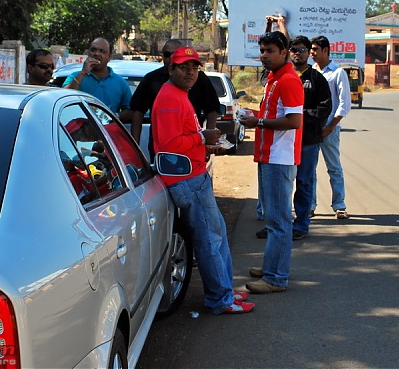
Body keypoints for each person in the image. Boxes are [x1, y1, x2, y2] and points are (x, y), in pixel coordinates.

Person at [152, 47, 253, 314]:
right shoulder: (171, 98)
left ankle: (225, 292)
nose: (190, 72)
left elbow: (180, 139)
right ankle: (220, 299)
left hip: (194, 175)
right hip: (188, 180)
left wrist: (205, 145)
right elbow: (171, 144)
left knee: (216, 236)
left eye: (195, 67)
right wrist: (202, 138)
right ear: (171, 69)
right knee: (210, 240)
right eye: (184, 67)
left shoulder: (178, 95)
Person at [239, 31, 303, 294]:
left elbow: (294, 122)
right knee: (272, 219)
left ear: (284, 52)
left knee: (278, 221)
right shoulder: (274, 79)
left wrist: (259, 122)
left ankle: (277, 278)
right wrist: (253, 115)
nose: (264, 55)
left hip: (280, 158)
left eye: (270, 51)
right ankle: (271, 268)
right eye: (262, 50)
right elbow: (271, 114)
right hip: (269, 156)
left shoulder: (288, 80)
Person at [130, 39, 220, 159]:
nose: (190, 72)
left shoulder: (198, 79)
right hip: (170, 159)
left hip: (193, 154)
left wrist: (209, 139)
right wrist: (134, 147)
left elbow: (212, 109)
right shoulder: (154, 80)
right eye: (168, 55)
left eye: (194, 68)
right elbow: (138, 111)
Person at [289, 35, 332, 241]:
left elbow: (325, 108)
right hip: (283, 141)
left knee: (304, 183)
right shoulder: (282, 76)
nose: (298, 52)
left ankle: (301, 225)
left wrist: (299, 118)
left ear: (309, 53)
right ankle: (277, 224)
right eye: (294, 49)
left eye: (302, 49)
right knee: (281, 184)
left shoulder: (317, 79)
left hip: (307, 141)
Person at [310, 35, 351, 220]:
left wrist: (331, 126)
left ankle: (339, 205)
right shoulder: (310, 71)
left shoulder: (337, 72)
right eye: (311, 50)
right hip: (311, 128)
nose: (312, 53)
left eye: (315, 50)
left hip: (329, 129)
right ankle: (310, 206)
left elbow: (344, 104)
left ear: (326, 50)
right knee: (309, 169)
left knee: (334, 167)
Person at [62, 38, 132, 118]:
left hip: (107, 129)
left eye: (102, 51)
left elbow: (129, 111)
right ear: (88, 53)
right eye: (93, 50)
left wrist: (112, 118)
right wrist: (83, 73)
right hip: (77, 129)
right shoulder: (75, 76)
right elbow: (63, 97)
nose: (96, 54)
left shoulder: (120, 83)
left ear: (109, 57)